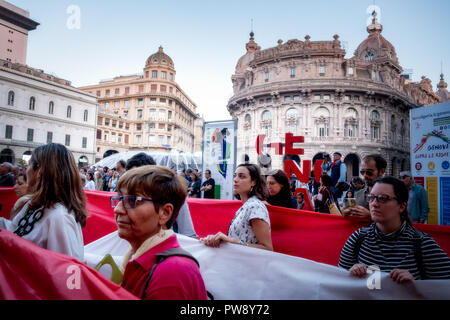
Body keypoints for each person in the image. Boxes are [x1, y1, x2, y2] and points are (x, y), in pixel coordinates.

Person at [112, 165, 207, 300]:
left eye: (133, 200)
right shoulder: (136, 258)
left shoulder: (172, 273)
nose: (118, 209)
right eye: (120, 198)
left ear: (165, 213)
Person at [338, 176, 450, 282]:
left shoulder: (422, 244)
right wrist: (350, 273)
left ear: (402, 206)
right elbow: (338, 282)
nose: (374, 204)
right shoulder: (358, 238)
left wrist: (417, 285)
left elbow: (443, 288)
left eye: (383, 198)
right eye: (371, 198)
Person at [0, 143, 87, 261]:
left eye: (29, 164)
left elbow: (65, 271)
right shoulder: (33, 204)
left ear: (40, 171)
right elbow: (13, 230)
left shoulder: (59, 217)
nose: (26, 170)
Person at [200, 163, 273, 251]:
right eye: (235, 176)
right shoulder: (247, 206)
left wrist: (232, 241)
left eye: (241, 176)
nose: (235, 180)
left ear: (253, 182)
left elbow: (267, 249)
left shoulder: (255, 207)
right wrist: (220, 239)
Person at [125, 152, 198, 238]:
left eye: (136, 177)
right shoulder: (125, 200)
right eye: (128, 177)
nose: (131, 182)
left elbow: (189, 235)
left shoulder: (174, 196)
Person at [348, 154, 387, 219]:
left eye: (369, 172)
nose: (365, 176)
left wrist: (370, 216)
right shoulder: (358, 194)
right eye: (362, 172)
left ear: (381, 171)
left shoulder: (391, 195)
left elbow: (395, 222)